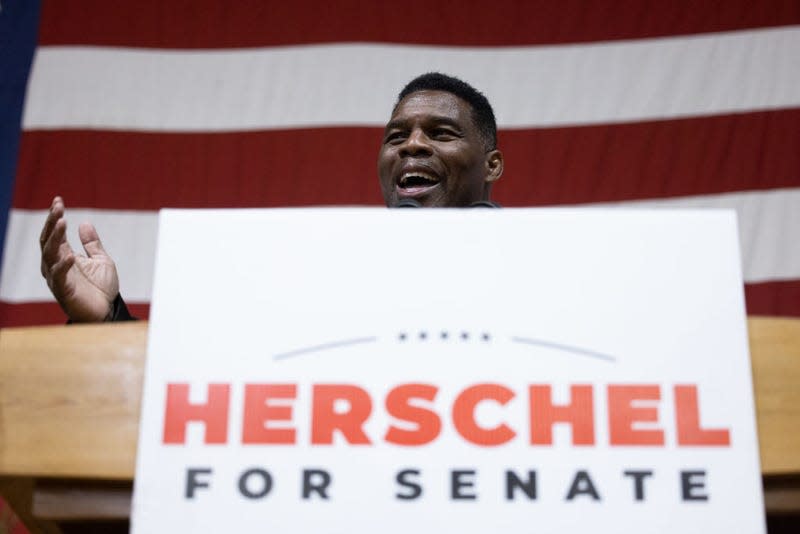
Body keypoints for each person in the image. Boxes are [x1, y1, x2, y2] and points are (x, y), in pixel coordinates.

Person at [39, 72, 505, 322]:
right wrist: (107, 319)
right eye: (396, 136)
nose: (413, 145)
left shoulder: (550, 270)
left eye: (440, 133)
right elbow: (209, 380)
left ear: (491, 165)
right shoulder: (318, 273)